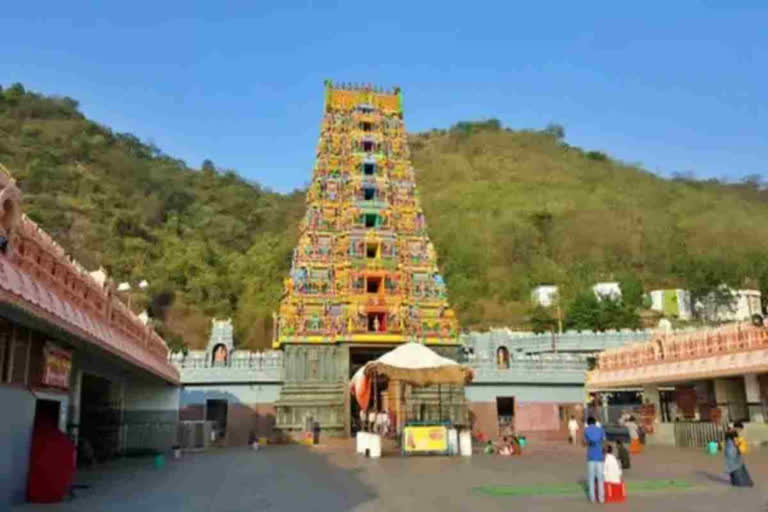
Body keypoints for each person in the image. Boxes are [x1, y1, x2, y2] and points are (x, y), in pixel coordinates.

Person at [584, 416, 606, 504]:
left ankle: (592, 498)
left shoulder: (586, 430)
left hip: (591, 457)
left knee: (591, 478)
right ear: (595, 422)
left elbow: (584, 443)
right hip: (599, 457)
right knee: (600, 478)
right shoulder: (600, 430)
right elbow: (604, 442)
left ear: (588, 423)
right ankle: (601, 498)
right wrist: (603, 453)